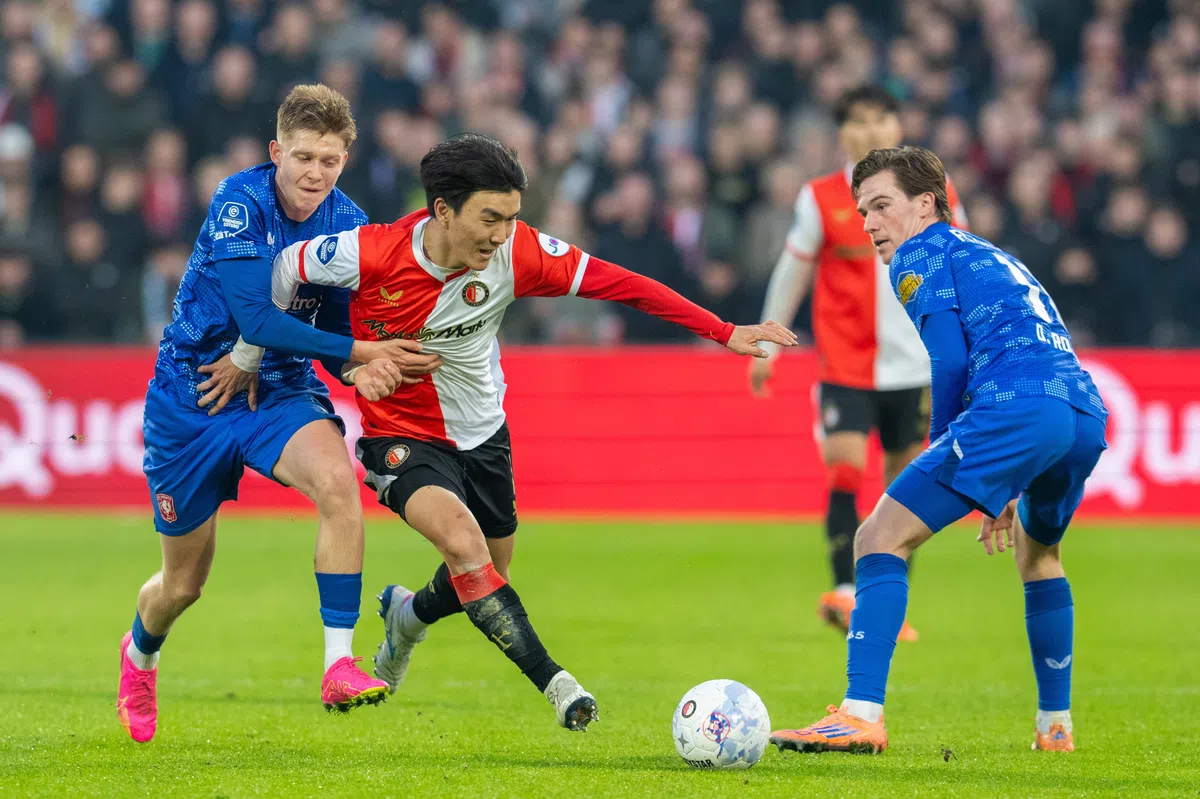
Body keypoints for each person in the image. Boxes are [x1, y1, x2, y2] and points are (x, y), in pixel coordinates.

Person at [233, 133, 797, 731]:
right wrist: (263, 357)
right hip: (400, 436)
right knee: (463, 545)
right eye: (490, 218)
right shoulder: (369, 252)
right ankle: (559, 686)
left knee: (485, 575)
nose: (503, 234)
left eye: (512, 218)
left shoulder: (521, 252)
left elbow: (622, 284)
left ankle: (408, 617)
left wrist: (723, 331)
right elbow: (285, 269)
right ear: (442, 210)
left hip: (484, 436)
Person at [118, 84, 440, 743]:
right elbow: (257, 319)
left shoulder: (350, 224)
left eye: (329, 160)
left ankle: (338, 663)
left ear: (345, 160)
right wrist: (361, 352)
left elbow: (335, 330)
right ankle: (140, 654)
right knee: (183, 585)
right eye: (303, 157)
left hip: (280, 391)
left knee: (339, 484)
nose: (315, 173)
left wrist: (357, 370)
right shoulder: (239, 201)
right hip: (193, 396)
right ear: (276, 152)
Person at [769, 146, 1107, 755]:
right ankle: (1055, 727)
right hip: (1081, 413)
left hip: (1016, 407)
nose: (870, 223)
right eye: (862, 211)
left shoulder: (919, 253)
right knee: (1039, 556)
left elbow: (949, 361)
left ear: (925, 204)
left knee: (878, 537)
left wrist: (947, 446)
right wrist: (1000, 478)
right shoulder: (990, 253)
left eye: (882, 206)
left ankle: (859, 714)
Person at [749, 86, 968, 640]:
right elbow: (793, 271)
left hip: (916, 367)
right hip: (845, 365)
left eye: (880, 120)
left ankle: (889, 606)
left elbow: (964, 264)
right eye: (858, 122)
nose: (870, 132)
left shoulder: (936, 192)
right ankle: (846, 591)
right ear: (842, 132)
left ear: (897, 126)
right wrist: (768, 343)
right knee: (843, 468)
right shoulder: (821, 197)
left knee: (906, 486)